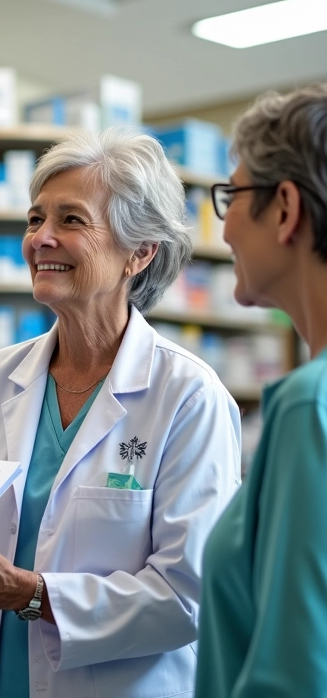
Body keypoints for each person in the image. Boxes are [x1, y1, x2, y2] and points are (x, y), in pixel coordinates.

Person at [0, 128, 242, 698]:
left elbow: (191, 597)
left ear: (140, 253)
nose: (41, 239)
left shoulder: (189, 395)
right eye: (34, 218)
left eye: (71, 220)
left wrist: (28, 592)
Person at [195, 84, 327, 697]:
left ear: (285, 208)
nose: (223, 233)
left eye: (232, 198)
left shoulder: (310, 404)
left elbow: (294, 675)